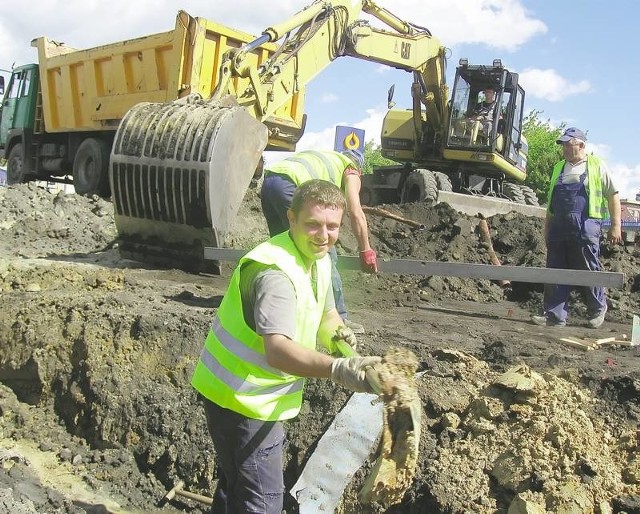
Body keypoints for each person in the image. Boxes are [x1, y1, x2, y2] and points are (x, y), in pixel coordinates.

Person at [191, 179, 381, 513]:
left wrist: (340, 337)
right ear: (291, 218)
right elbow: (277, 350)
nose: (324, 235)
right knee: (262, 502)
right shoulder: (275, 272)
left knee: (235, 484)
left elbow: (327, 313)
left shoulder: (318, 257)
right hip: (243, 400)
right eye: (313, 225)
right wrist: (338, 369)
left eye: (333, 227)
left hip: (247, 394)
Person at [260, 149, 378, 334]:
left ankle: (280, 305)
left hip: (270, 181)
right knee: (323, 253)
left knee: (283, 249)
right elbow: (355, 211)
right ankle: (340, 318)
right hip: (291, 186)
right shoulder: (350, 169)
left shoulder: (327, 158)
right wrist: (366, 250)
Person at [531, 127, 622, 328]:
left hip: (585, 226)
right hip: (559, 227)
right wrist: (546, 229)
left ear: (581, 145)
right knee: (555, 270)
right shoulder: (559, 168)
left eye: (567, 144)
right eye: (563, 145)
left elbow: (612, 195)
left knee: (588, 268)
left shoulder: (597, 166)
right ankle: (554, 315)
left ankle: (597, 309)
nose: (564, 148)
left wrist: (616, 225)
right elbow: (551, 205)